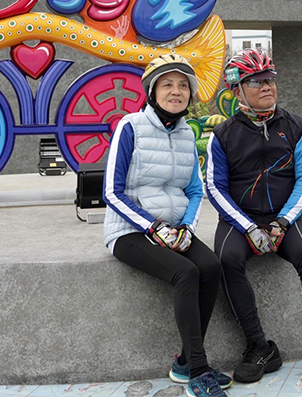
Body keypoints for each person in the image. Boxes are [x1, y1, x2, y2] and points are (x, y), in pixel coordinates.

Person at [205, 48, 302, 387]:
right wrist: (248, 227)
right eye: (255, 81)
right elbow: (214, 185)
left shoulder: (297, 126)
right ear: (236, 90)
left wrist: (282, 222)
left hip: (285, 217)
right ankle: (259, 346)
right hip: (241, 219)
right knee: (225, 259)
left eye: (270, 79)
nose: (267, 86)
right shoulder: (222, 135)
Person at [102, 54, 231, 397]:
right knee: (185, 273)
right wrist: (153, 227)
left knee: (211, 265)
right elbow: (111, 193)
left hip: (174, 229)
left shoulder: (189, 134)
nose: (176, 91)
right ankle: (198, 371)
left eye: (183, 85)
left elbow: (193, 190)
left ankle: (185, 361)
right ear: (152, 91)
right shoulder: (129, 127)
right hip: (129, 231)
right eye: (167, 84)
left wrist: (187, 227)